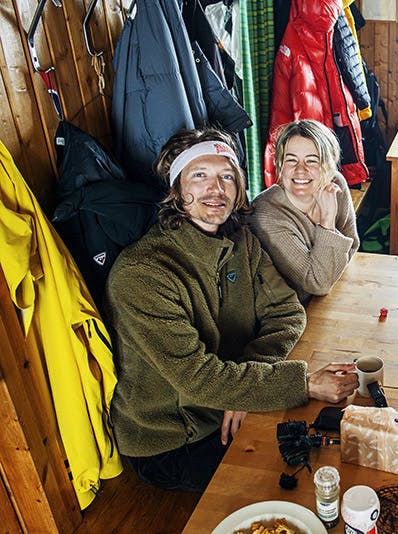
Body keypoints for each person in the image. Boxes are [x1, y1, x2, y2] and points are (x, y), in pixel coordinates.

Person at [105, 128, 358, 492]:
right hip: (176, 438)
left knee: (333, 447)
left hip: (233, 394)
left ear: (240, 188)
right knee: (297, 483)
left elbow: (287, 311)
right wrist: (302, 383)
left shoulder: (241, 241)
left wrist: (249, 384)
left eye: (227, 177)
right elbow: (199, 379)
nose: (215, 189)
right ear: (177, 190)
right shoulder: (143, 273)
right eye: (200, 175)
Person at [249, 120, 359, 305]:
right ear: (279, 164)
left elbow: (353, 247)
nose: (300, 170)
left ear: (328, 166)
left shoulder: (335, 186)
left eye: (312, 161)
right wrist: (326, 224)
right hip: (290, 310)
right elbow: (317, 284)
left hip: (327, 300)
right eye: (291, 160)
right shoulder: (265, 214)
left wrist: (324, 245)